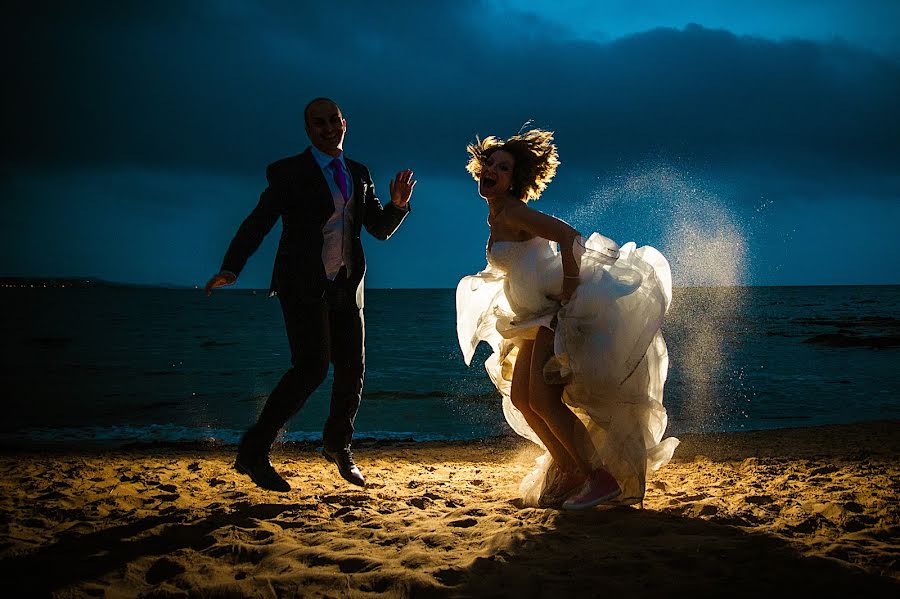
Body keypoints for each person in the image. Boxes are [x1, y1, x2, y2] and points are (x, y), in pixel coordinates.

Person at [456, 129, 678, 509]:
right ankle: (571, 470)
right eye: (489, 163)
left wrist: (570, 288)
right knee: (524, 400)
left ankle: (599, 478)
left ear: (516, 179)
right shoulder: (498, 216)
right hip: (528, 316)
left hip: (551, 314)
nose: (491, 170)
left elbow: (569, 236)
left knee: (543, 399)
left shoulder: (515, 212)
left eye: (503, 167)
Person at [205, 97, 415, 492]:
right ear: (308, 130)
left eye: (333, 120)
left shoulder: (358, 172)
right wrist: (231, 267)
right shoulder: (289, 172)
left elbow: (378, 228)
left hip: (347, 286)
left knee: (352, 368)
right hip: (301, 284)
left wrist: (398, 206)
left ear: (344, 123)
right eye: (318, 123)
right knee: (312, 367)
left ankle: (338, 445)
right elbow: (259, 221)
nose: (327, 128)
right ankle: (253, 451)